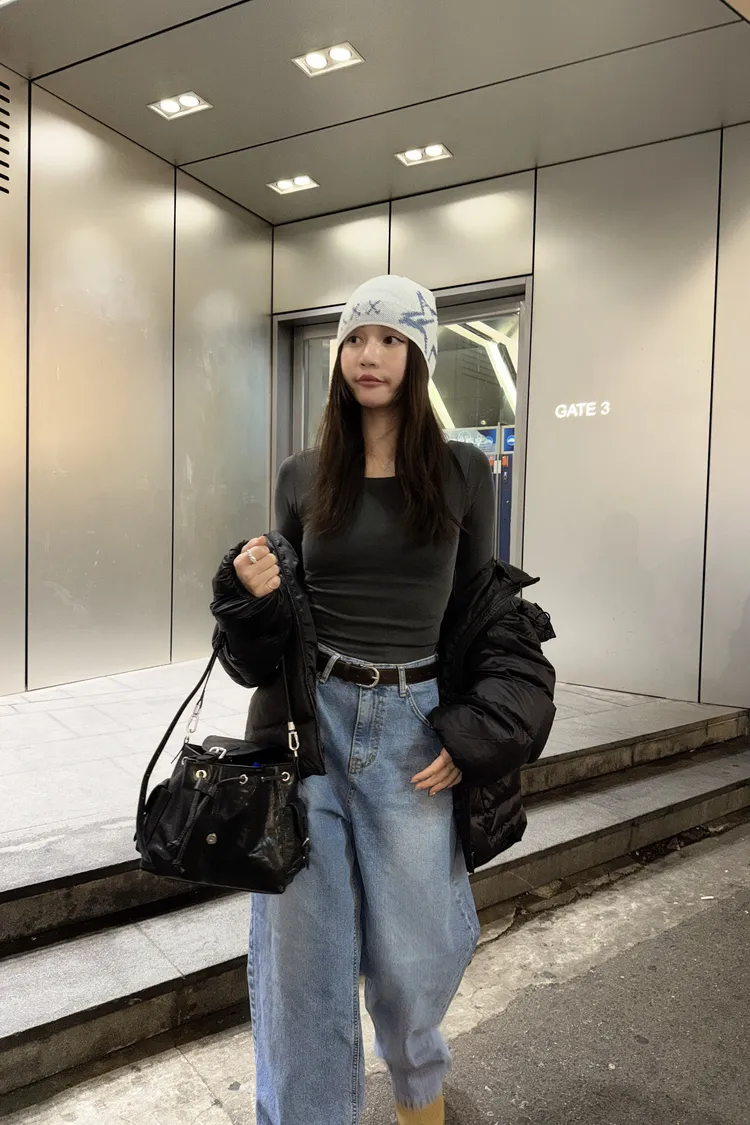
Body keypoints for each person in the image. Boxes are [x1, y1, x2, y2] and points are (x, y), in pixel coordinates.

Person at [210, 275, 556, 1125]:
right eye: (356, 338)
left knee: (414, 955)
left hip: (414, 732)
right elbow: (272, 636)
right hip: (310, 728)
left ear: (419, 355)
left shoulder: (463, 470)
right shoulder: (302, 476)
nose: (370, 354)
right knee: (302, 962)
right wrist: (246, 596)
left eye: (391, 339)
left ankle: (418, 1099)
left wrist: (474, 731)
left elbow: (482, 614)